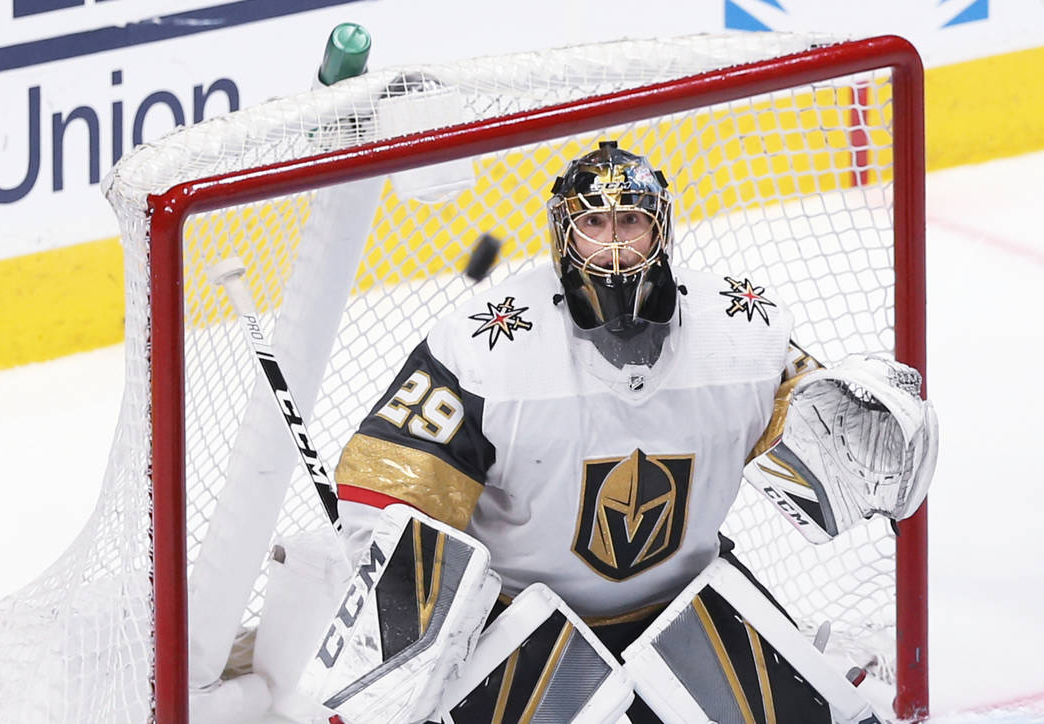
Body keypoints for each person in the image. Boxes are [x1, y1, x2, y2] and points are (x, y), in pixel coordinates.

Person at [330, 141, 937, 723]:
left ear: (661, 229)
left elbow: (824, 435)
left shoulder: (740, 329)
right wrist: (400, 643)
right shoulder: (489, 345)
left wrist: (869, 427)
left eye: (631, 222)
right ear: (564, 236)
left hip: (690, 602)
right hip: (523, 622)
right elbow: (384, 497)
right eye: (594, 224)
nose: (614, 243)